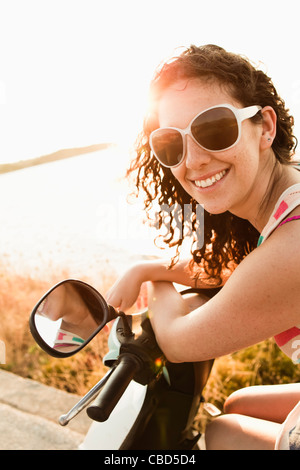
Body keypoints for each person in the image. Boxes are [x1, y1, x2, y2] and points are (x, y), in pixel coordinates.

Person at [106, 44, 300, 450]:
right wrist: (146, 268)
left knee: (222, 433)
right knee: (237, 402)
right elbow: (235, 269)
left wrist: (156, 289)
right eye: (170, 144)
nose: (192, 161)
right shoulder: (288, 194)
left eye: (214, 128)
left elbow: (178, 342)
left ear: (265, 126)